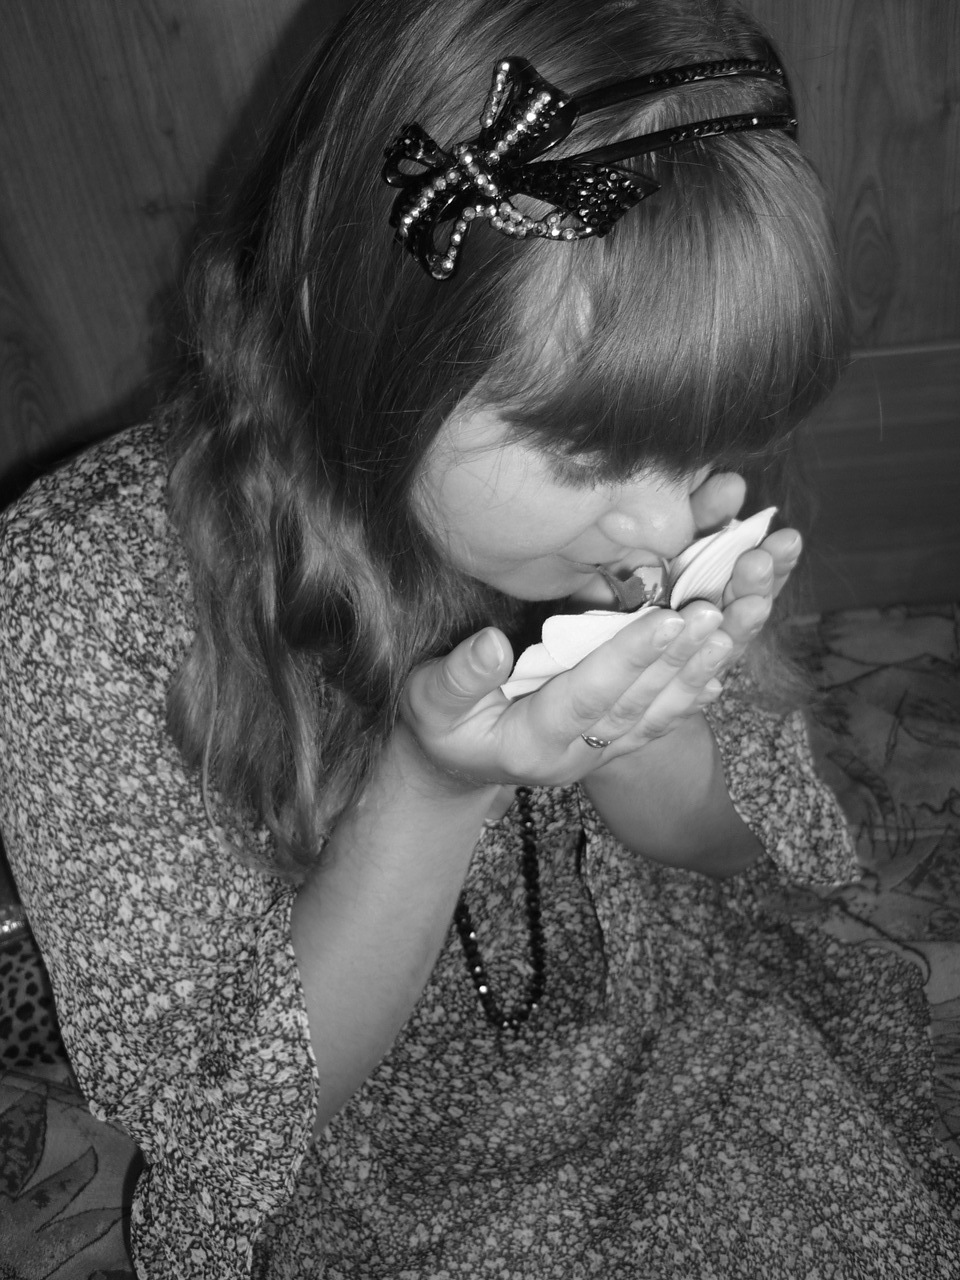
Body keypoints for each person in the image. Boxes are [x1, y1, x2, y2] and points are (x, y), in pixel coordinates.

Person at [0, 0, 957, 1275]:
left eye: (701, 446)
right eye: (587, 455)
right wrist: (438, 783)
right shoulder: (80, 595)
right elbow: (226, 1127)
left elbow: (734, 854)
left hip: (666, 1042)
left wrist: (636, 719)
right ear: (357, 329)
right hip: (354, 1178)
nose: (664, 519)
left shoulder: (641, 502)